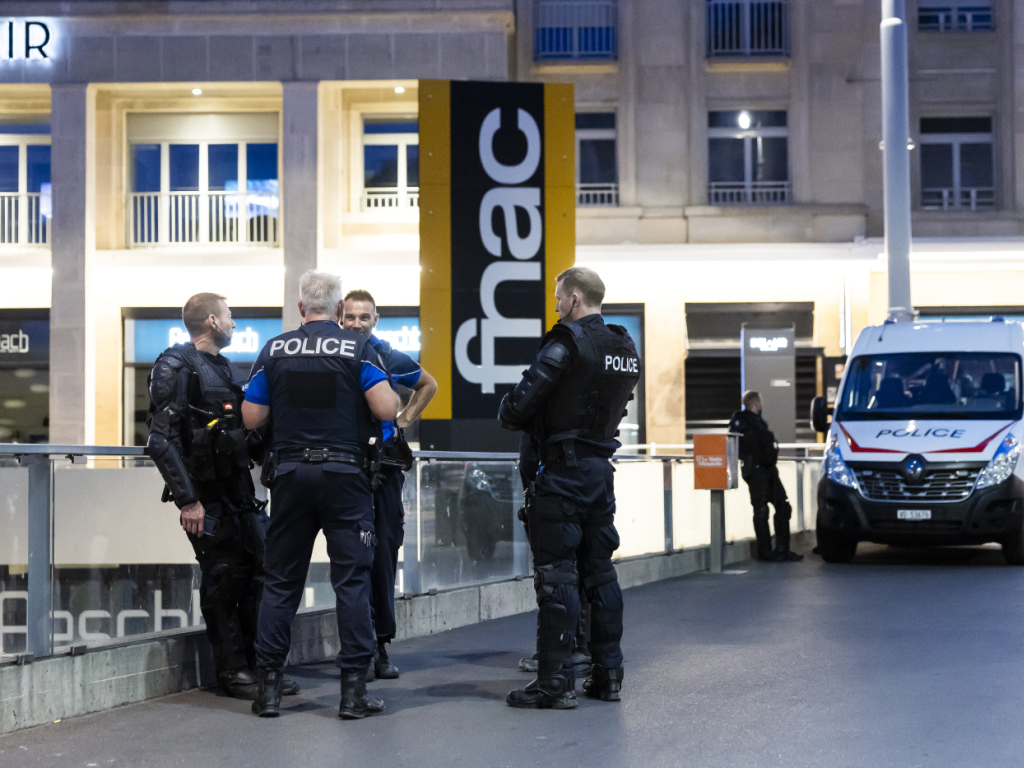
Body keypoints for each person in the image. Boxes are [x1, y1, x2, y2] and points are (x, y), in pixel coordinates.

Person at [243, 270, 400, 720]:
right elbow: (386, 408)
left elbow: (252, 417)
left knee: (280, 582)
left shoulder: (274, 349)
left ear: (300, 308)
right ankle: (353, 693)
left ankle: (268, 691)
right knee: (351, 582)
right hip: (345, 477)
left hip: (291, 475)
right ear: (338, 309)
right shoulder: (358, 348)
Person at [498, 266, 640, 709]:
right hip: (601, 472)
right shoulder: (624, 347)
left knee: (557, 576)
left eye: (560, 297)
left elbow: (516, 409)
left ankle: (554, 684)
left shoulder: (566, 342)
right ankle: (608, 676)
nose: (557, 305)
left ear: (576, 298)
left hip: (562, 474)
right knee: (600, 572)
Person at [147, 292, 298, 700]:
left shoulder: (226, 368)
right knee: (224, 578)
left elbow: (243, 430)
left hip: (240, 492)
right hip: (206, 498)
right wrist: (188, 501)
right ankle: (232, 673)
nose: (234, 322)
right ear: (212, 321)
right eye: (229, 316)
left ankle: (262, 668)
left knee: (261, 570)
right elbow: (160, 442)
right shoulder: (175, 365)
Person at [342, 289, 438, 680]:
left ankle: (380, 645)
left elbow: (428, 384)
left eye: (364, 317)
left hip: (384, 472)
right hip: (345, 471)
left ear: (375, 320)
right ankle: (357, 648)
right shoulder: (335, 354)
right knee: (352, 557)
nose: (356, 324)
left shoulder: (388, 356)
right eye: (350, 316)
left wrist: (403, 420)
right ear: (340, 318)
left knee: (383, 556)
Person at [728, 391, 804, 563]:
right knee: (761, 510)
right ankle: (765, 551)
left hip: (768, 469)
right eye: (760, 403)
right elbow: (742, 445)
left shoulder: (758, 422)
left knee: (783, 507)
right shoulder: (741, 422)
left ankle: (782, 549)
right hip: (756, 470)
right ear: (756, 403)